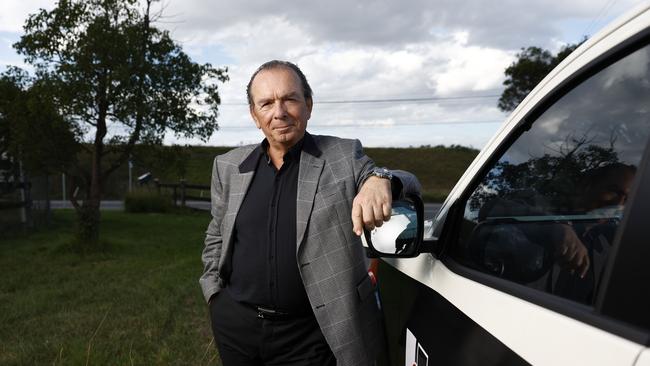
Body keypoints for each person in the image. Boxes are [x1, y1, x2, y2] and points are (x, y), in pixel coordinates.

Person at [199, 60, 418, 365]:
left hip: (313, 334)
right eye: (266, 103)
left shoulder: (342, 156)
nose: (279, 112)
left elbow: (410, 183)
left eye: (290, 98)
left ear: (309, 104)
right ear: (254, 115)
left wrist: (379, 179)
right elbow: (216, 235)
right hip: (237, 327)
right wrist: (214, 294)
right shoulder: (228, 166)